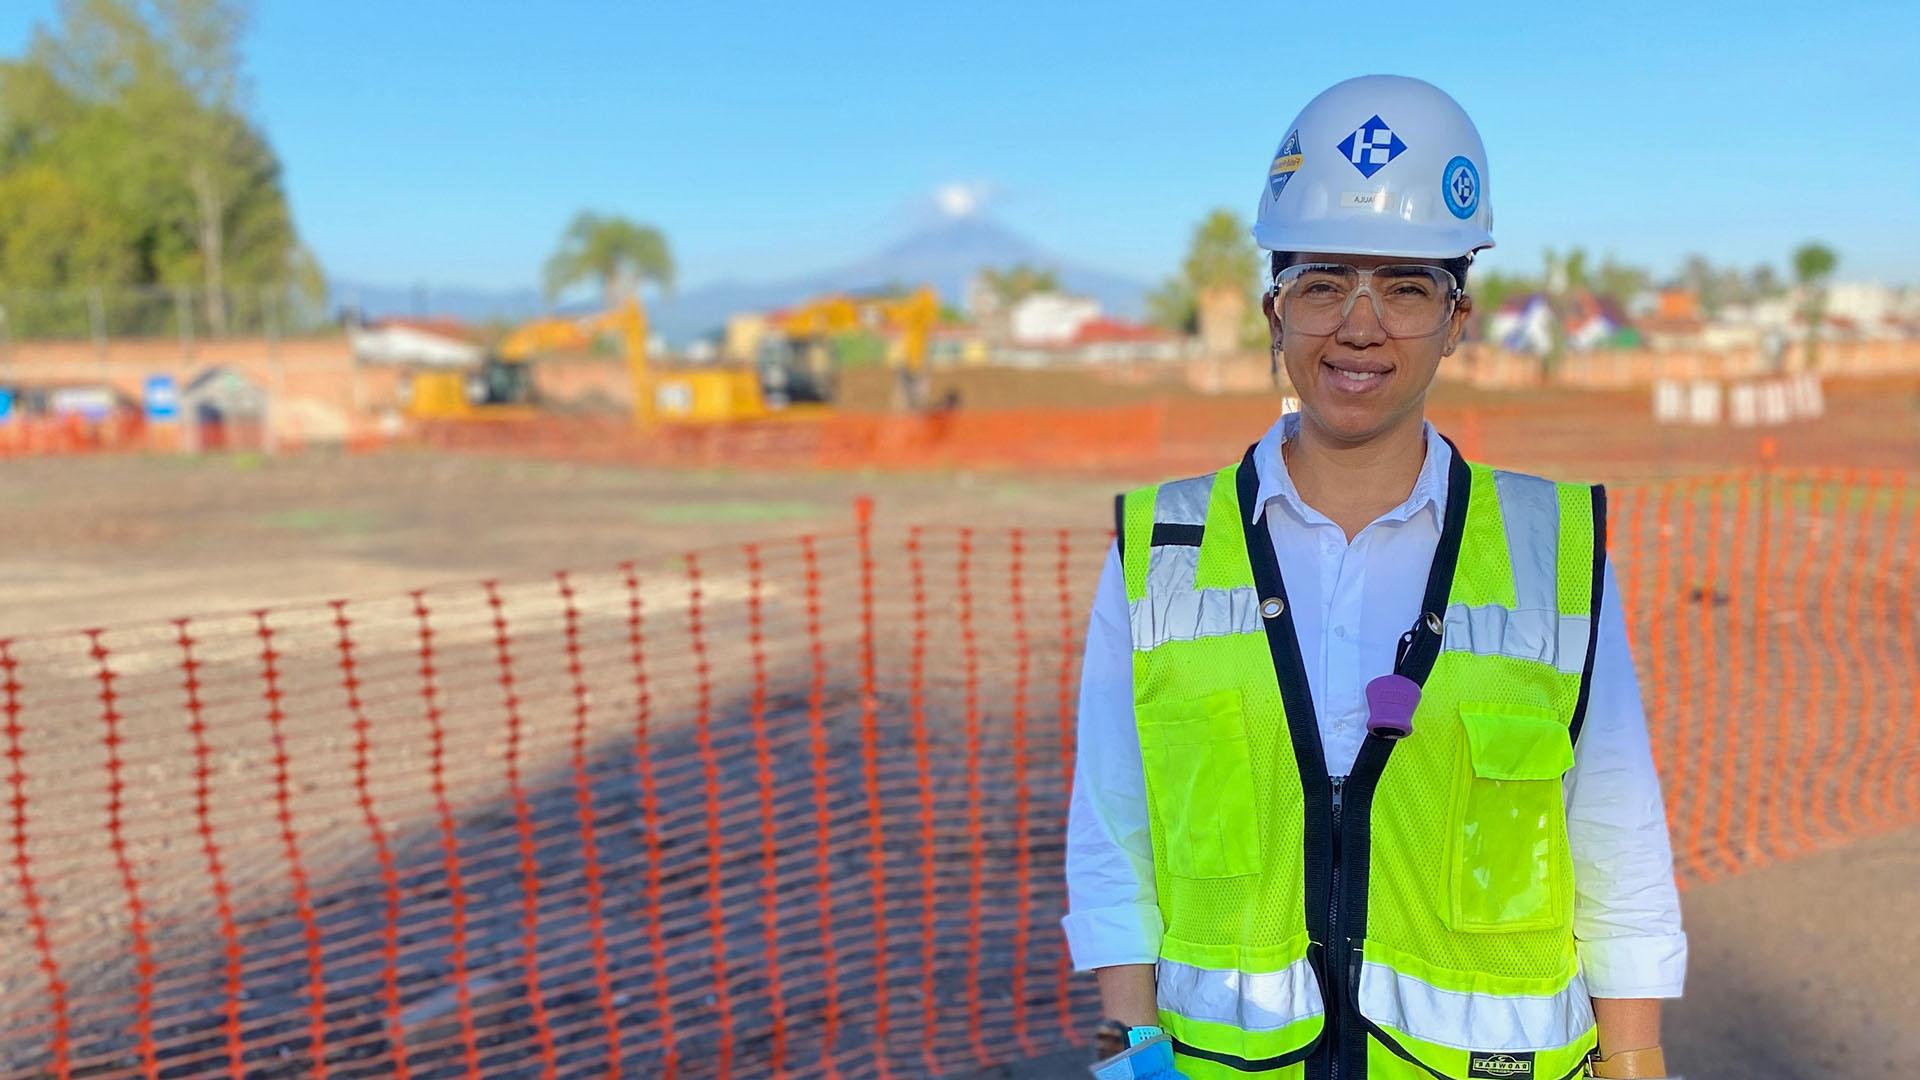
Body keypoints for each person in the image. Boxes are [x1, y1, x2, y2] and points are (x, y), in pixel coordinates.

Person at [1064, 75, 1686, 1080]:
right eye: (1322, 284)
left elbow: (1618, 836)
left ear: (1458, 319)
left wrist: (1639, 1059)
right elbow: (1113, 829)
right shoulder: (1161, 547)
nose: (1360, 326)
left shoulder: (1551, 546)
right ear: (1276, 311)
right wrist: (1129, 1052)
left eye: (1405, 286)